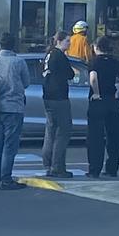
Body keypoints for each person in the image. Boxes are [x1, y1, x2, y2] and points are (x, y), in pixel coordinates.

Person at [0, 32, 30, 191]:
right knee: (10, 145)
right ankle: (6, 179)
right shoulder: (18, 62)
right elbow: (26, 83)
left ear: (0, 45)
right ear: (13, 45)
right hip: (14, 106)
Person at [87, 35, 119, 179]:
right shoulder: (115, 62)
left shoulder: (94, 62)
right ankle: (112, 169)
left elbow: (93, 78)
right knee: (114, 137)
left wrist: (97, 92)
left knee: (95, 137)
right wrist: (118, 91)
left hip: (98, 101)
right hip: (113, 100)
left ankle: (94, 169)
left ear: (96, 48)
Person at [41, 31, 76, 179]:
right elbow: (70, 74)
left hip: (48, 96)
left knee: (50, 131)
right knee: (63, 132)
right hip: (59, 97)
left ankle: (48, 164)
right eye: (67, 41)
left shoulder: (49, 55)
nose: (70, 44)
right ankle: (58, 167)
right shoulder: (60, 56)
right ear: (59, 41)